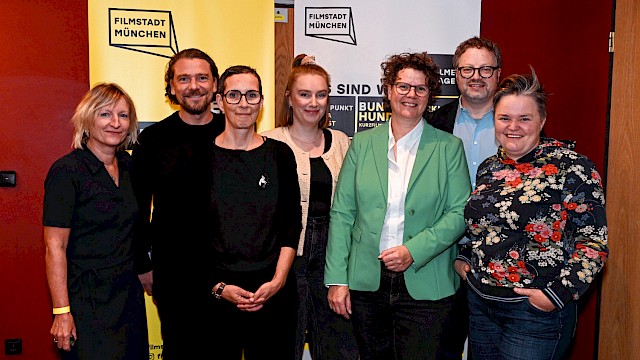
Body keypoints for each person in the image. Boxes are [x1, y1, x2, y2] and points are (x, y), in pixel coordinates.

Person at [325, 52, 472, 359]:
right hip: (366, 284)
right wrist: (337, 280)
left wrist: (412, 251)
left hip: (427, 285)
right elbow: (342, 214)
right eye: (403, 86)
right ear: (389, 90)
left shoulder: (449, 148)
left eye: (421, 89)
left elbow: (460, 213)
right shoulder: (361, 144)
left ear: (430, 96)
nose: (411, 95)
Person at [456, 69, 609, 360]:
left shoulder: (573, 168)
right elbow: (484, 227)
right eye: (504, 118)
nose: (513, 126)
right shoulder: (489, 167)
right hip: (482, 309)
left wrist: (553, 297)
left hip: (535, 314)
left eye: (524, 118)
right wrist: (465, 259)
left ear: (542, 120)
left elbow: (594, 244)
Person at [262, 54, 358, 360]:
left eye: (321, 94)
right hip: (283, 263)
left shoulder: (343, 142)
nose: (313, 102)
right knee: (280, 347)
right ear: (290, 98)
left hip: (333, 262)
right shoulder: (266, 143)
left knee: (339, 350)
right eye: (304, 94)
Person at [130, 48, 224, 358]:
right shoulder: (152, 140)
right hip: (173, 273)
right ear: (171, 86)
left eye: (201, 78)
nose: (193, 86)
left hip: (230, 270)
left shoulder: (235, 134)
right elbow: (138, 209)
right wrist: (144, 266)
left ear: (214, 85)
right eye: (183, 78)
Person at [43, 83, 148, 359]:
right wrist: (61, 311)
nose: (115, 123)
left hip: (128, 299)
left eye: (123, 116)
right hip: (85, 302)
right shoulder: (67, 172)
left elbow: (135, 230)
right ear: (88, 119)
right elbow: (55, 247)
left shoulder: (129, 167)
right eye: (105, 114)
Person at [207, 65, 302, 359]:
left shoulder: (280, 155)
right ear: (219, 101)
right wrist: (218, 287)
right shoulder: (198, 158)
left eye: (251, 95)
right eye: (233, 95)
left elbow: (291, 224)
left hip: (273, 292)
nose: (243, 103)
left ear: (261, 102)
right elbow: (186, 234)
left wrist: (278, 281)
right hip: (218, 293)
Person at [428, 36, 502, 360]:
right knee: (440, 349)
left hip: (498, 258)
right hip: (443, 255)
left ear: (498, 73)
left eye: (485, 68)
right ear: (455, 74)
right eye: (468, 68)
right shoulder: (433, 124)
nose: (476, 76)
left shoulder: (516, 125)